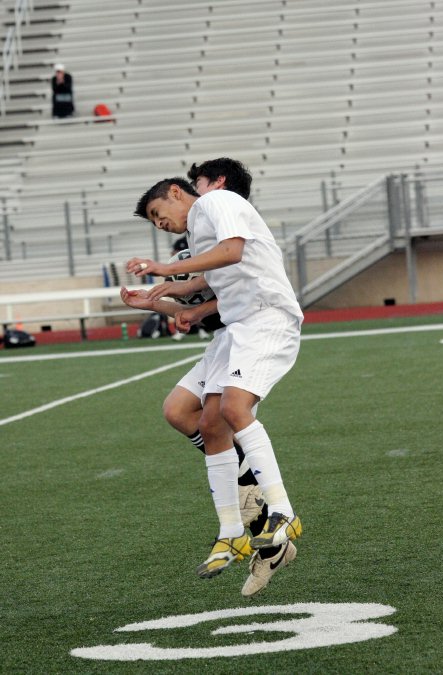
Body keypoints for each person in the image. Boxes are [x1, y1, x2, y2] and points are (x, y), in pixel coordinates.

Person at [124, 167, 303, 592]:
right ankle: (233, 529)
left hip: (264, 319)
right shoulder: (203, 232)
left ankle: (280, 510)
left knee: (232, 410)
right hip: (237, 327)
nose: (159, 224)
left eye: (157, 213)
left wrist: (162, 271)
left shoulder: (215, 203)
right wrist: (158, 297)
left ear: (180, 192)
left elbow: (232, 252)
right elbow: (205, 292)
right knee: (194, 416)